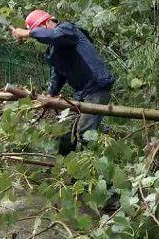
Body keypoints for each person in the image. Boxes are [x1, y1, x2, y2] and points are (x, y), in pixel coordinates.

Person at [11, 9, 115, 154]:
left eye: (39, 30)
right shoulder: (53, 50)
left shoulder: (67, 30)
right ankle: (65, 168)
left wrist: (27, 33)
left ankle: (91, 168)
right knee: (65, 130)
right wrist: (50, 95)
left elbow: (53, 35)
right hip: (81, 93)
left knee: (85, 131)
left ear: (47, 22)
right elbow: (58, 74)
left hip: (97, 86)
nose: (39, 36)